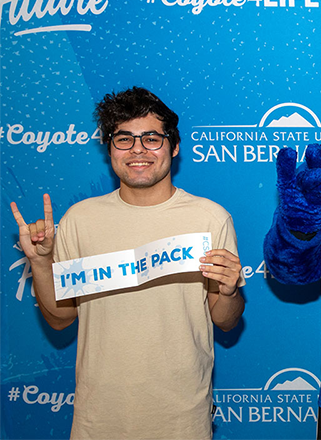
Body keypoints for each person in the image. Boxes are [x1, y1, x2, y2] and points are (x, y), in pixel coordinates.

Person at [10, 87, 245, 439]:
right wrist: (42, 265)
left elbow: (225, 320)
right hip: (98, 420)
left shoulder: (210, 219)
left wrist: (228, 289)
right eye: (124, 139)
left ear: (174, 146)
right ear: (109, 149)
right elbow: (60, 319)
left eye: (151, 138)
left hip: (182, 420)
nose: (138, 150)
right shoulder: (80, 219)